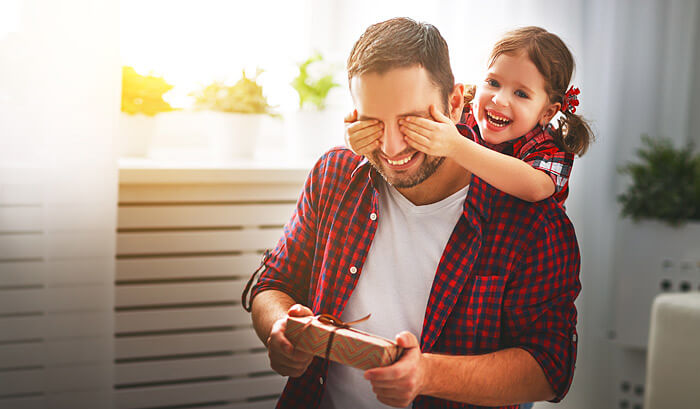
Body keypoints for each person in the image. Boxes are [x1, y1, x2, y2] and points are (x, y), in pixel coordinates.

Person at [245, 17, 580, 409]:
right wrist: (281, 328)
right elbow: (273, 283)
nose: (390, 147)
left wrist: (427, 375)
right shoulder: (335, 174)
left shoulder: (535, 221)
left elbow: (550, 368)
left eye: (410, 122)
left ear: (455, 104)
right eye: (373, 121)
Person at [345, 26, 593, 206]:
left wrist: (456, 146)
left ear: (547, 112)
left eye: (521, 93)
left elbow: (535, 188)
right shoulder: (462, 108)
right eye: (493, 82)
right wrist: (360, 135)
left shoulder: (548, 146)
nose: (499, 99)